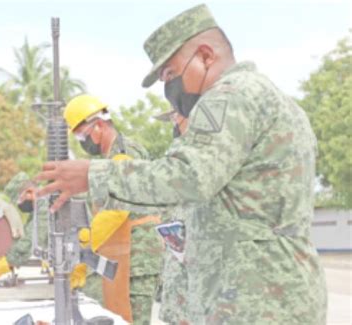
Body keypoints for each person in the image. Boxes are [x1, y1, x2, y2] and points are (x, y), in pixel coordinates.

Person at [35, 3, 328, 324]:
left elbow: (190, 176)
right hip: (276, 291)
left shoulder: (230, 96)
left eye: (171, 74)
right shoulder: (278, 102)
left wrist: (93, 176)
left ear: (205, 56)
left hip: (255, 300)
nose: (168, 89)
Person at [63, 94, 163, 324]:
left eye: (81, 135)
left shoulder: (125, 152)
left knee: (131, 320)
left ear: (98, 126)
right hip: (124, 251)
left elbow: (115, 212)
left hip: (138, 255)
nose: (82, 141)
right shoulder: (110, 157)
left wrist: (83, 250)